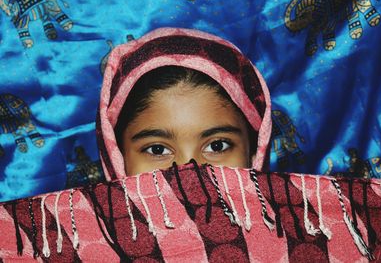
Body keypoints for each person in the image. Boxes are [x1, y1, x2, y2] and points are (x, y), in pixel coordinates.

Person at [96, 27, 272, 181]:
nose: (189, 173)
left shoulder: (294, 218)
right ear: (118, 157)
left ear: (254, 153)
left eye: (216, 146)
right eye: (157, 150)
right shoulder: (74, 218)